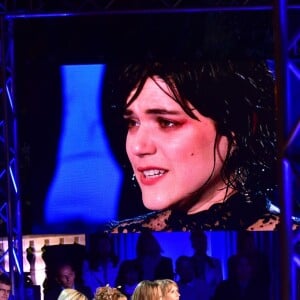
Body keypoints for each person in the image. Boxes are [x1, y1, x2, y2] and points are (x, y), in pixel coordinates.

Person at [103, 60, 290, 232]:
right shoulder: (121, 232)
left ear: (241, 124)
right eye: (133, 122)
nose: (138, 147)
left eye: (167, 122)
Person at [189, 231, 223, 298]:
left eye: (203, 242)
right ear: (193, 244)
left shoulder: (215, 262)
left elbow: (219, 285)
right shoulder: (189, 263)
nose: (202, 245)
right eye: (199, 242)